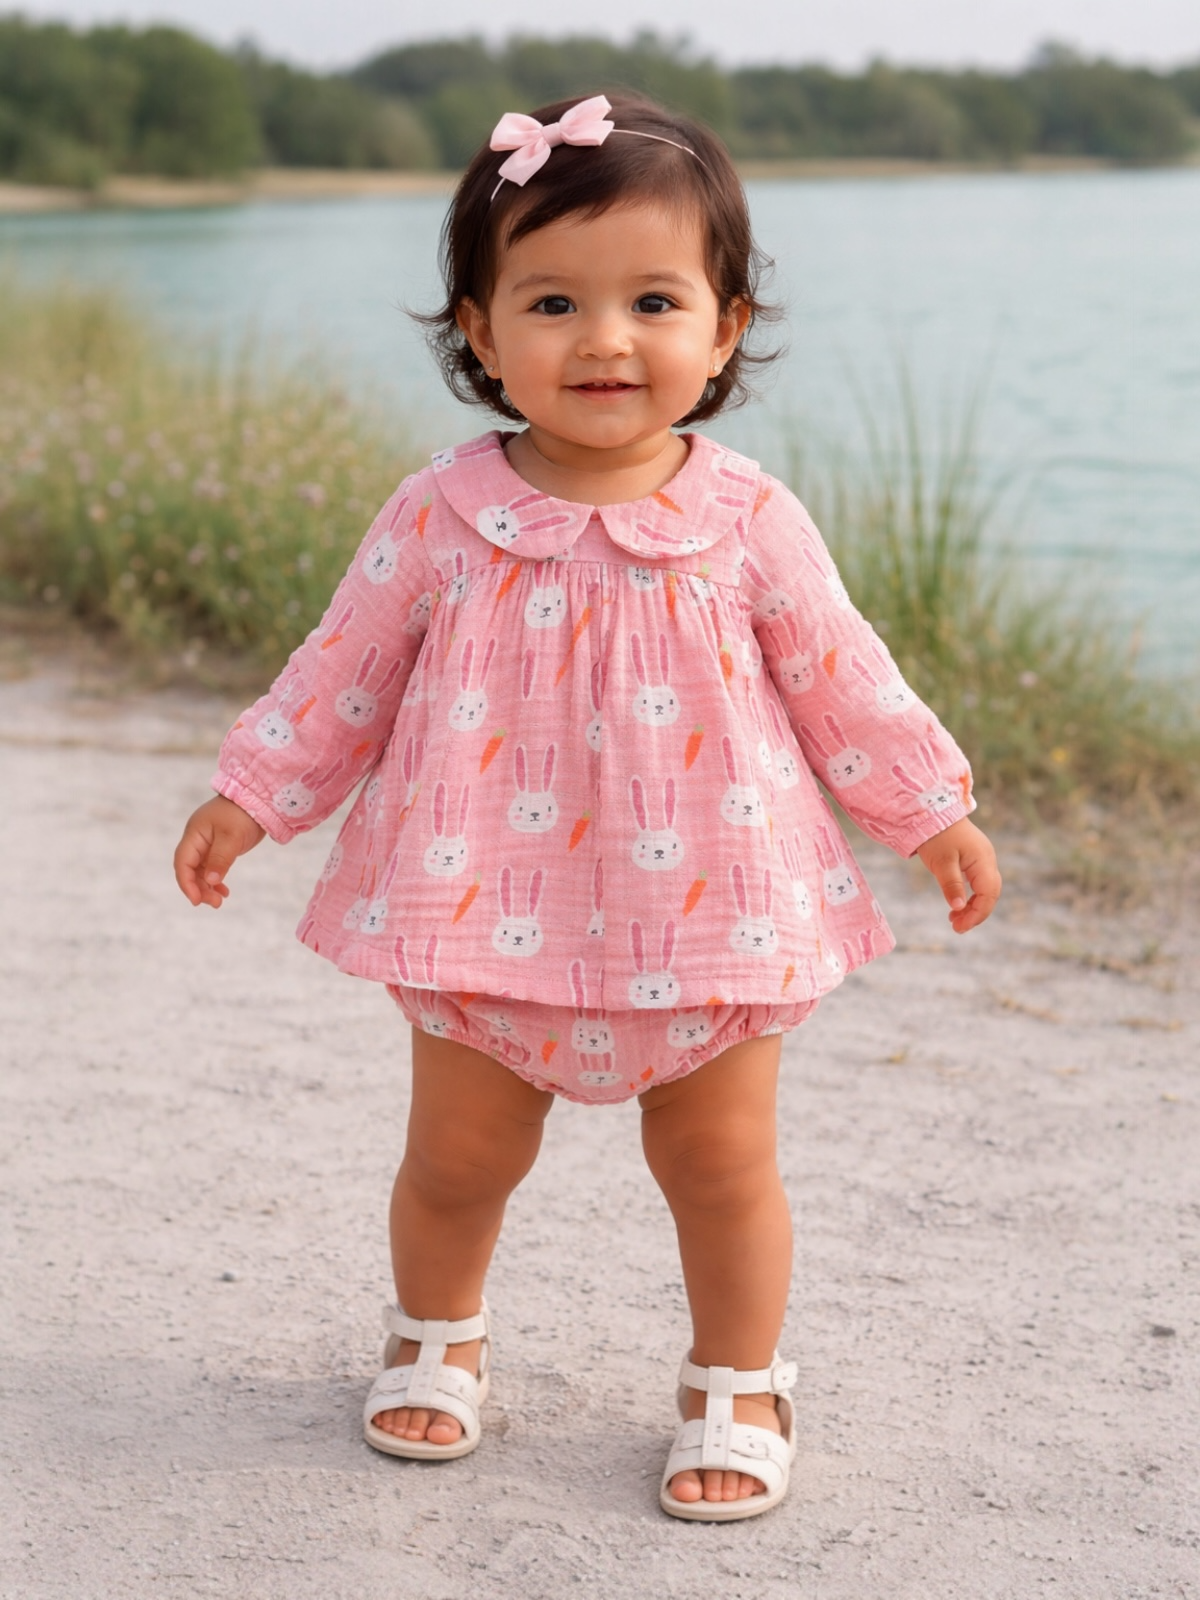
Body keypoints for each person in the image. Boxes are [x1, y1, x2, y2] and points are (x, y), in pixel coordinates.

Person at [173, 92, 1001, 1522]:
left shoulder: (749, 520)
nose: (605, 339)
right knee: (458, 1156)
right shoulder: (440, 514)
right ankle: (438, 1337)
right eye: (553, 301)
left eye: (654, 301)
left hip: (716, 922)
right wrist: (254, 792)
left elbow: (842, 679)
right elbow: (347, 668)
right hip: (478, 905)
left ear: (726, 327)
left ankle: (738, 1380)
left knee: (722, 1164)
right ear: (483, 336)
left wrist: (931, 812)